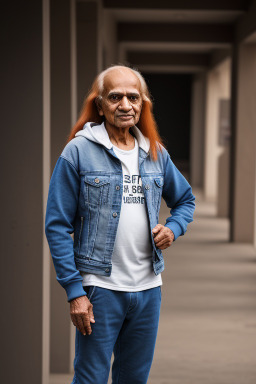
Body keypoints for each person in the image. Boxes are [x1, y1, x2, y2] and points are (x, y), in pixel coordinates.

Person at [45, 64, 195, 384]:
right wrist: (75, 291)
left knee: (133, 379)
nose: (125, 105)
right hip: (100, 288)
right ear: (100, 105)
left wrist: (173, 228)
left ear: (143, 104)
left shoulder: (154, 153)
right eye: (115, 97)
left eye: (133, 97)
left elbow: (185, 201)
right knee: (90, 378)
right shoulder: (79, 151)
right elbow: (56, 225)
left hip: (148, 289)